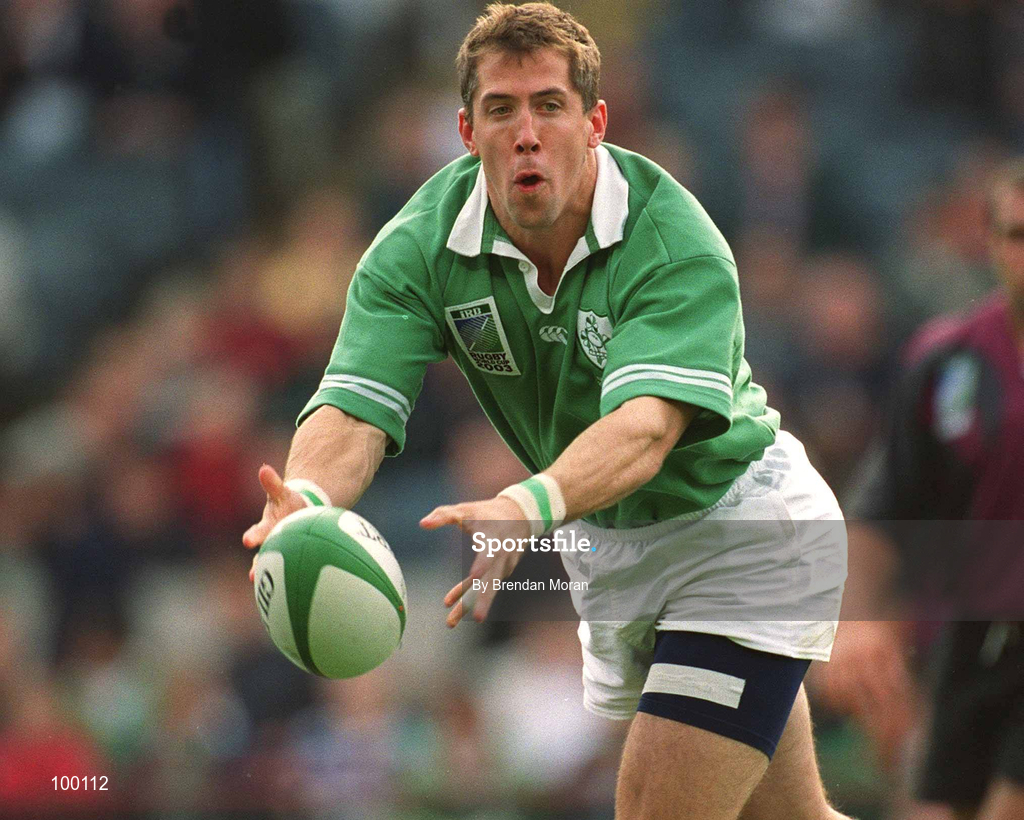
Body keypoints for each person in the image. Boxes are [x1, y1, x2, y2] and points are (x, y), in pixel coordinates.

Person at [243, 4, 850, 818]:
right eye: (501, 109)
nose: (526, 134)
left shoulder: (672, 239)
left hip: (736, 531)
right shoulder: (416, 248)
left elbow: (646, 429)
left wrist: (525, 505)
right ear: (467, 131)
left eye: (549, 106)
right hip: (614, 547)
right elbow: (354, 408)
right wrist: (309, 499)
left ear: (595, 123)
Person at [823, 159, 1024, 819]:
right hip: (970, 645)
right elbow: (885, 508)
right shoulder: (948, 364)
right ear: (990, 242)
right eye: (1017, 235)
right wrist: (858, 623)